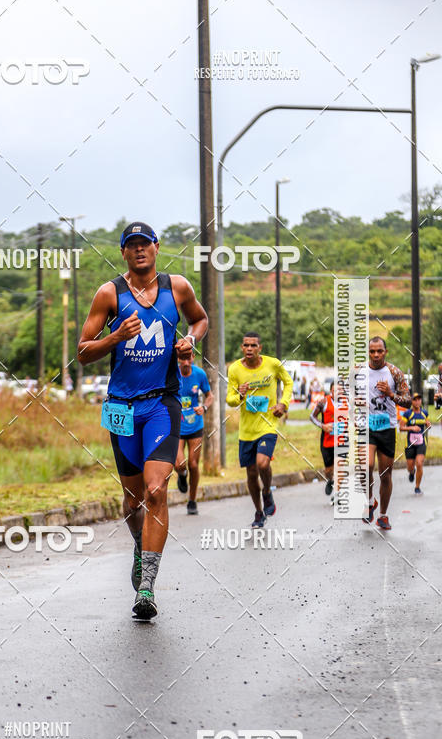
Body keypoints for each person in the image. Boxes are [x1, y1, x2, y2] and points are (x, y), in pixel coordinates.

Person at [77, 221, 208, 620]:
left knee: (156, 491)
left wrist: (191, 340)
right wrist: (115, 337)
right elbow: (82, 352)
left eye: (144, 244)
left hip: (161, 405)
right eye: (131, 245)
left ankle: (147, 586)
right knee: (132, 500)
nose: (139, 251)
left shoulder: (178, 287)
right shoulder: (109, 294)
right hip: (121, 408)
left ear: (156, 247)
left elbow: (200, 320)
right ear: (123, 253)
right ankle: (139, 544)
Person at [225, 332, 293, 528]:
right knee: (251, 474)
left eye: (253, 345)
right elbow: (229, 399)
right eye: (246, 345)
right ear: (241, 347)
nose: (249, 349)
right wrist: (239, 394)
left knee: (263, 464)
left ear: (260, 348)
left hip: (268, 424)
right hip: (246, 430)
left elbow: (288, 382)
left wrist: (284, 404)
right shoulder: (235, 369)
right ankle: (258, 511)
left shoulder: (273, 364)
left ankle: (267, 493)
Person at [362, 337, 411, 530]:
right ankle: (369, 502)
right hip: (367, 426)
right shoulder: (359, 372)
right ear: (368, 352)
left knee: (385, 475)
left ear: (385, 351)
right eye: (372, 351)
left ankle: (382, 515)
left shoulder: (394, 372)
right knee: (365, 466)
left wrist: (391, 395)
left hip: (387, 428)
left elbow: (407, 400)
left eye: (379, 351)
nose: (375, 355)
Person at [175, 357, 213, 515]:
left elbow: (210, 396)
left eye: (188, 358)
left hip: (195, 425)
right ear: (177, 358)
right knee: (180, 464)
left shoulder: (199, 374)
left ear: (193, 358)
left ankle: (192, 500)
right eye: (182, 358)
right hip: (176, 426)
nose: (185, 362)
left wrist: (204, 407)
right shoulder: (172, 373)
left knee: (194, 464)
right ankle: (182, 476)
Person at [310, 381, 348, 503]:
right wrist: (323, 426)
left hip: (342, 440)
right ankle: (330, 480)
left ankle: (337, 494)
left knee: (340, 466)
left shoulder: (348, 403)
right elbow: (312, 417)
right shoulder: (323, 402)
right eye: (335, 390)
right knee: (329, 470)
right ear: (331, 391)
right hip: (327, 441)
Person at [399, 393, 430, 494]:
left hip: (421, 442)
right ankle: (412, 472)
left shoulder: (424, 413)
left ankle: (417, 487)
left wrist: (428, 425)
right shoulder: (408, 413)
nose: (417, 402)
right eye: (415, 400)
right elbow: (401, 427)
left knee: (419, 463)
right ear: (412, 402)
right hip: (410, 443)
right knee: (410, 466)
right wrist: (412, 427)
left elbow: (428, 425)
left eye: (419, 399)